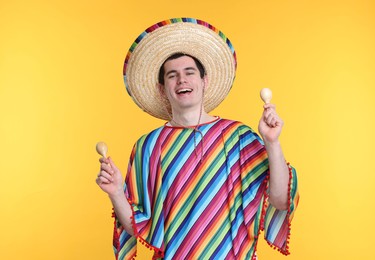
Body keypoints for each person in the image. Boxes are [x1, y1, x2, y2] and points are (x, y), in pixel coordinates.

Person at [96, 18, 299, 260]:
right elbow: (138, 227)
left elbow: (280, 200)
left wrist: (272, 142)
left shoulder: (239, 138)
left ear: (205, 81)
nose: (182, 80)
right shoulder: (148, 147)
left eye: (189, 72)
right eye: (172, 75)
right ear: (162, 89)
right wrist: (117, 192)